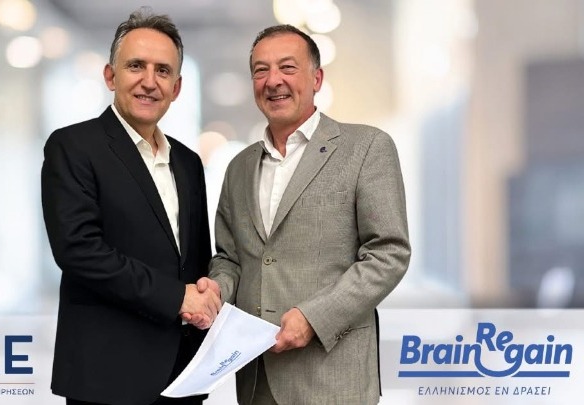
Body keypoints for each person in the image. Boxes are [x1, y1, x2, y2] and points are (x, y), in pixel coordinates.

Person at [205, 24, 411, 404]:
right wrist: (217, 290)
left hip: (332, 379)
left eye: (287, 67)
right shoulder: (238, 167)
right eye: (261, 70)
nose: (273, 81)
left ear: (316, 79)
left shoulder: (366, 147)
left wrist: (315, 318)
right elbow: (230, 258)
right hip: (256, 379)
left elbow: (389, 253)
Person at [41, 9, 220, 405]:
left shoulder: (188, 162)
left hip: (182, 377)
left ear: (176, 87)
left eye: (163, 71)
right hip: (108, 379)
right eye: (136, 66)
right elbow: (79, 251)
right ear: (111, 76)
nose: (149, 82)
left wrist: (207, 291)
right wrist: (177, 297)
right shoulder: (73, 147)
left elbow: (194, 260)